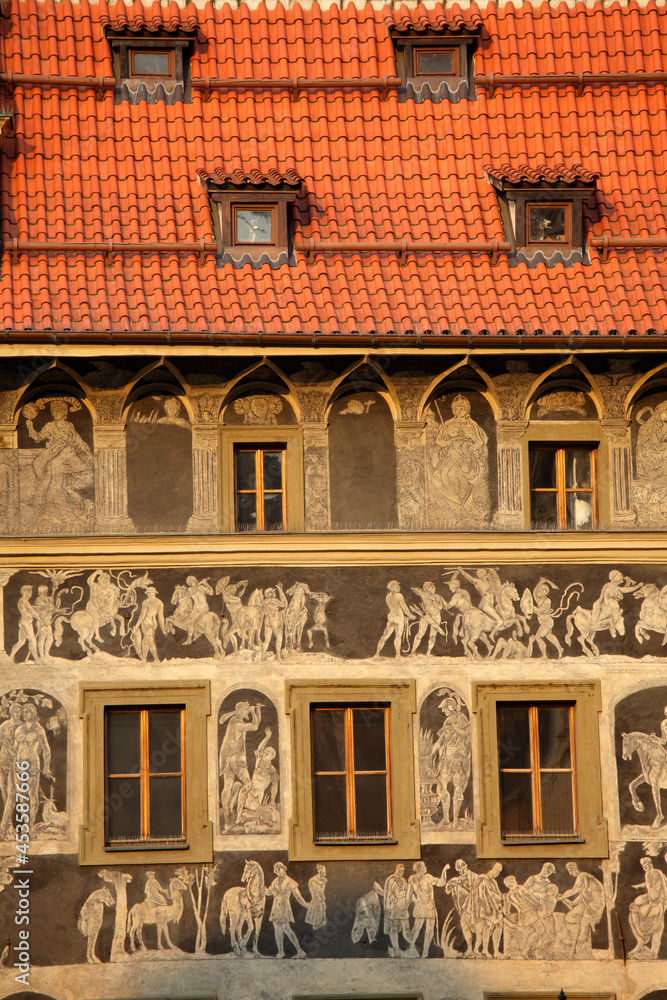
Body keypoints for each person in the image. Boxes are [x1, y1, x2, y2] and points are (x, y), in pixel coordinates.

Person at [24, 398, 93, 523]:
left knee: (87, 475)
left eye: (59, 410)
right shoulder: (50, 426)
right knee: (53, 482)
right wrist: (30, 427)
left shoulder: (69, 426)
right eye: (54, 410)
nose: (56, 413)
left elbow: (78, 441)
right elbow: (38, 437)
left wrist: (88, 453)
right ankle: (54, 513)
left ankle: (77, 506)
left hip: (72, 458)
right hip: (58, 458)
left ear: (65, 412)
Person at [430, 394, 489, 522]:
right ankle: (454, 505)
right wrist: (447, 443)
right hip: (451, 454)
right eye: (456, 408)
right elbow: (438, 440)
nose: (459, 410)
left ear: (467, 409)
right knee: (442, 474)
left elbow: (479, 442)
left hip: (466, 456)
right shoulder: (448, 424)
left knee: (461, 476)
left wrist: (470, 449)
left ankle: (462, 504)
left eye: (461, 408)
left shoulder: (472, 425)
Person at [218, 701, 262, 830]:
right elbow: (255, 726)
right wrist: (254, 712)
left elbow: (221, 720)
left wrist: (257, 710)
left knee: (228, 786)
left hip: (226, 757)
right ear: (241, 711)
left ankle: (227, 819)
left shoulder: (233, 719)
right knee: (247, 784)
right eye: (246, 710)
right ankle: (237, 815)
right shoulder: (238, 723)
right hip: (235, 758)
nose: (247, 712)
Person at [431, 696, 471, 827]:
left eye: (444, 708)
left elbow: (465, 734)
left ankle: (455, 821)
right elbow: (442, 739)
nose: (443, 711)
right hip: (447, 758)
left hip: (459, 758)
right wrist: (432, 752)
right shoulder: (448, 721)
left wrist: (453, 726)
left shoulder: (461, 718)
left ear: (451, 706)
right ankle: (447, 818)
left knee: (458, 789)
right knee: (441, 786)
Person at [13, 702, 53, 830]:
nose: (24, 714)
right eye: (23, 712)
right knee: (21, 795)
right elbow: (15, 749)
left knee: (32, 795)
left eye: (27, 711)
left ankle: (31, 826)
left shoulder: (39, 730)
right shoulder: (18, 729)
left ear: (33, 713)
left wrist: (46, 767)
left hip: (32, 765)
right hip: (19, 766)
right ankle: (25, 824)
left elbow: (46, 750)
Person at [234, 727, 279, 829]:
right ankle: (238, 816)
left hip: (256, 799)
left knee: (257, 811)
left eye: (268, 753)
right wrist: (267, 737)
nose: (264, 753)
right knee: (242, 789)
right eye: (265, 752)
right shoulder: (259, 762)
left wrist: (272, 800)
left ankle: (246, 818)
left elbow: (275, 786)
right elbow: (260, 749)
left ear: (272, 757)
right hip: (249, 793)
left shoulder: (272, 770)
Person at [558, 862, 605, 957]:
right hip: (589, 904)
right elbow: (582, 896)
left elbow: (574, 890)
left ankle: (578, 950)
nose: (570, 873)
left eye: (570, 871)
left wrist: (561, 897)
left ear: (574, 868)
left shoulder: (582, 875)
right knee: (570, 917)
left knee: (584, 926)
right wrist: (571, 903)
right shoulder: (584, 880)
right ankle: (586, 926)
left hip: (595, 904)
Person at [266, 862, 308, 958]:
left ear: (284, 869)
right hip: (276, 908)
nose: (278, 871)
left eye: (279, 869)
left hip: (284, 907)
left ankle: (300, 951)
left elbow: (298, 896)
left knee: (287, 929)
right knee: (277, 929)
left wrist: (305, 904)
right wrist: (260, 888)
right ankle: (281, 952)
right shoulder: (275, 881)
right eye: (276, 870)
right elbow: (269, 892)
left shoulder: (289, 881)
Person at [407, 861, 449, 958]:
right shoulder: (415, 878)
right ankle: (412, 947)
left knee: (427, 929)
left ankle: (424, 951)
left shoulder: (425, 877)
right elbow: (409, 894)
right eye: (423, 866)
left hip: (428, 906)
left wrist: (444, 871)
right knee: (417, 927)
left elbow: (441, 883)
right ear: (419, 868)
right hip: (423, 906)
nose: (425, 868)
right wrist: (414, 902)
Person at [628, 856, 667, 957]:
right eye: (644, 867)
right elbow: (649, 885)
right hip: (652, 898)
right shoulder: (649, 874)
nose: (646, 868)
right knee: (637, 901)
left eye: (647, 866)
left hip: (659, 900)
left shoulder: (657, 873)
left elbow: (658, 887)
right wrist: (639, 886)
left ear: (651, 865)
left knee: (658, 926)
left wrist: (656, 901)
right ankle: (642, 942)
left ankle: (654, 952)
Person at [590, 570, 641, 637]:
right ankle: (601, 625)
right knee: (597, 621)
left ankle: (617, 626)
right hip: (608, 606)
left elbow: (626, 590)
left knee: (619, 615)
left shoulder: (617, 587)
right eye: (619, 575)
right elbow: (601, 598)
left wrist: (638, 586)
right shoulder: (607, 585)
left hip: (615, 607)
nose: (621, 576)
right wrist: (597, 606)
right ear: (614, 577)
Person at [0, 704, 23, 838]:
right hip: (2, 762)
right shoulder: (4, 725)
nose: (16, 712)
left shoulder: (22, 727)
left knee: (11, 794)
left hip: (15, 763)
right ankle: (9, 826)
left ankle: (3, 826)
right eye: (14, 709)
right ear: (10, 711)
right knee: (5, 794)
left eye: (18, 710)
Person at [375, 581, 414, 659]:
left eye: (398, 586)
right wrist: (411, 615)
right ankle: (398, 655)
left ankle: (377, 654)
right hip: (399, 617)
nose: (398, 587)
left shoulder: (388, 596)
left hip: (391, 616)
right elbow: (404, 607)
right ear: (391, 587)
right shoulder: (399, 595)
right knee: (398, 636)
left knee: (385, 635)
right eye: (396, 586)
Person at [383, 863, 412, 957]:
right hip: (394, 908)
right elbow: (398, 893)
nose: (402, 871)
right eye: (400, 870)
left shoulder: (403, 880)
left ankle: (412, 947)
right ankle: (396, 950)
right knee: (394, 929)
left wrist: (415, 899)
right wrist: (407, 894)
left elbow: (408, 893)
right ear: (396, 869)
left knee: (406, 928)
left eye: (403, 870)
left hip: (403, 908)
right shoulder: (392, 880)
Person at [410, 582, 447, 656]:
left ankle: (428, 653)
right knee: (420, 634)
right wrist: (422, 592)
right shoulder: (424, 595)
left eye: (434, 587)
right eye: (431, 587)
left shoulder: (438, 596)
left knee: (432, 635)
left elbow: (446, 605)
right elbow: (414, 589)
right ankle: (412, 652)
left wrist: (440, 604)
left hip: (436, 617)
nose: (433, 588)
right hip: (425, 615)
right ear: (426, 588)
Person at [133, 586, 166, 662]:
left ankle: (156, 659)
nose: (148, 595)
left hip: (146, 622)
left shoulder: (146, 602)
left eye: (148, 593)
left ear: (150, 594)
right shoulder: (160, 602)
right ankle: (144, 659)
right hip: (154, 623)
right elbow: (161, 617)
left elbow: (142, 615)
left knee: (150, 641)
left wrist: (137, 625)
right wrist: (163, 628)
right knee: (145, 640)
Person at [10, 585, 39, 663]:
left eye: (31, 591)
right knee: (32, 640)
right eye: (29, 591)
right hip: (26, 622)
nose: (31, 593)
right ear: (24, 592)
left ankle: (11, 657)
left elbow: (31, 608)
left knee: (21, 641)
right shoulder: (23, 600)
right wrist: (39, 619)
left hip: (24, 622)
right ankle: (37, 659)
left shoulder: (24, 601)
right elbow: (31, 611)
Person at [305, 865, 328, 930]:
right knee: (316, 923)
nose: (323, 874)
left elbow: (322, 892)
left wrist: (323, 900)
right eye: (322, 872)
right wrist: (321, 901)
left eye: (324, 872)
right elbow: (315, 895)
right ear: (318, 871)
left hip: (322, 902)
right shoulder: (313, 881)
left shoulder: (323, 879)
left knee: (322, 923)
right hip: (316, 904)